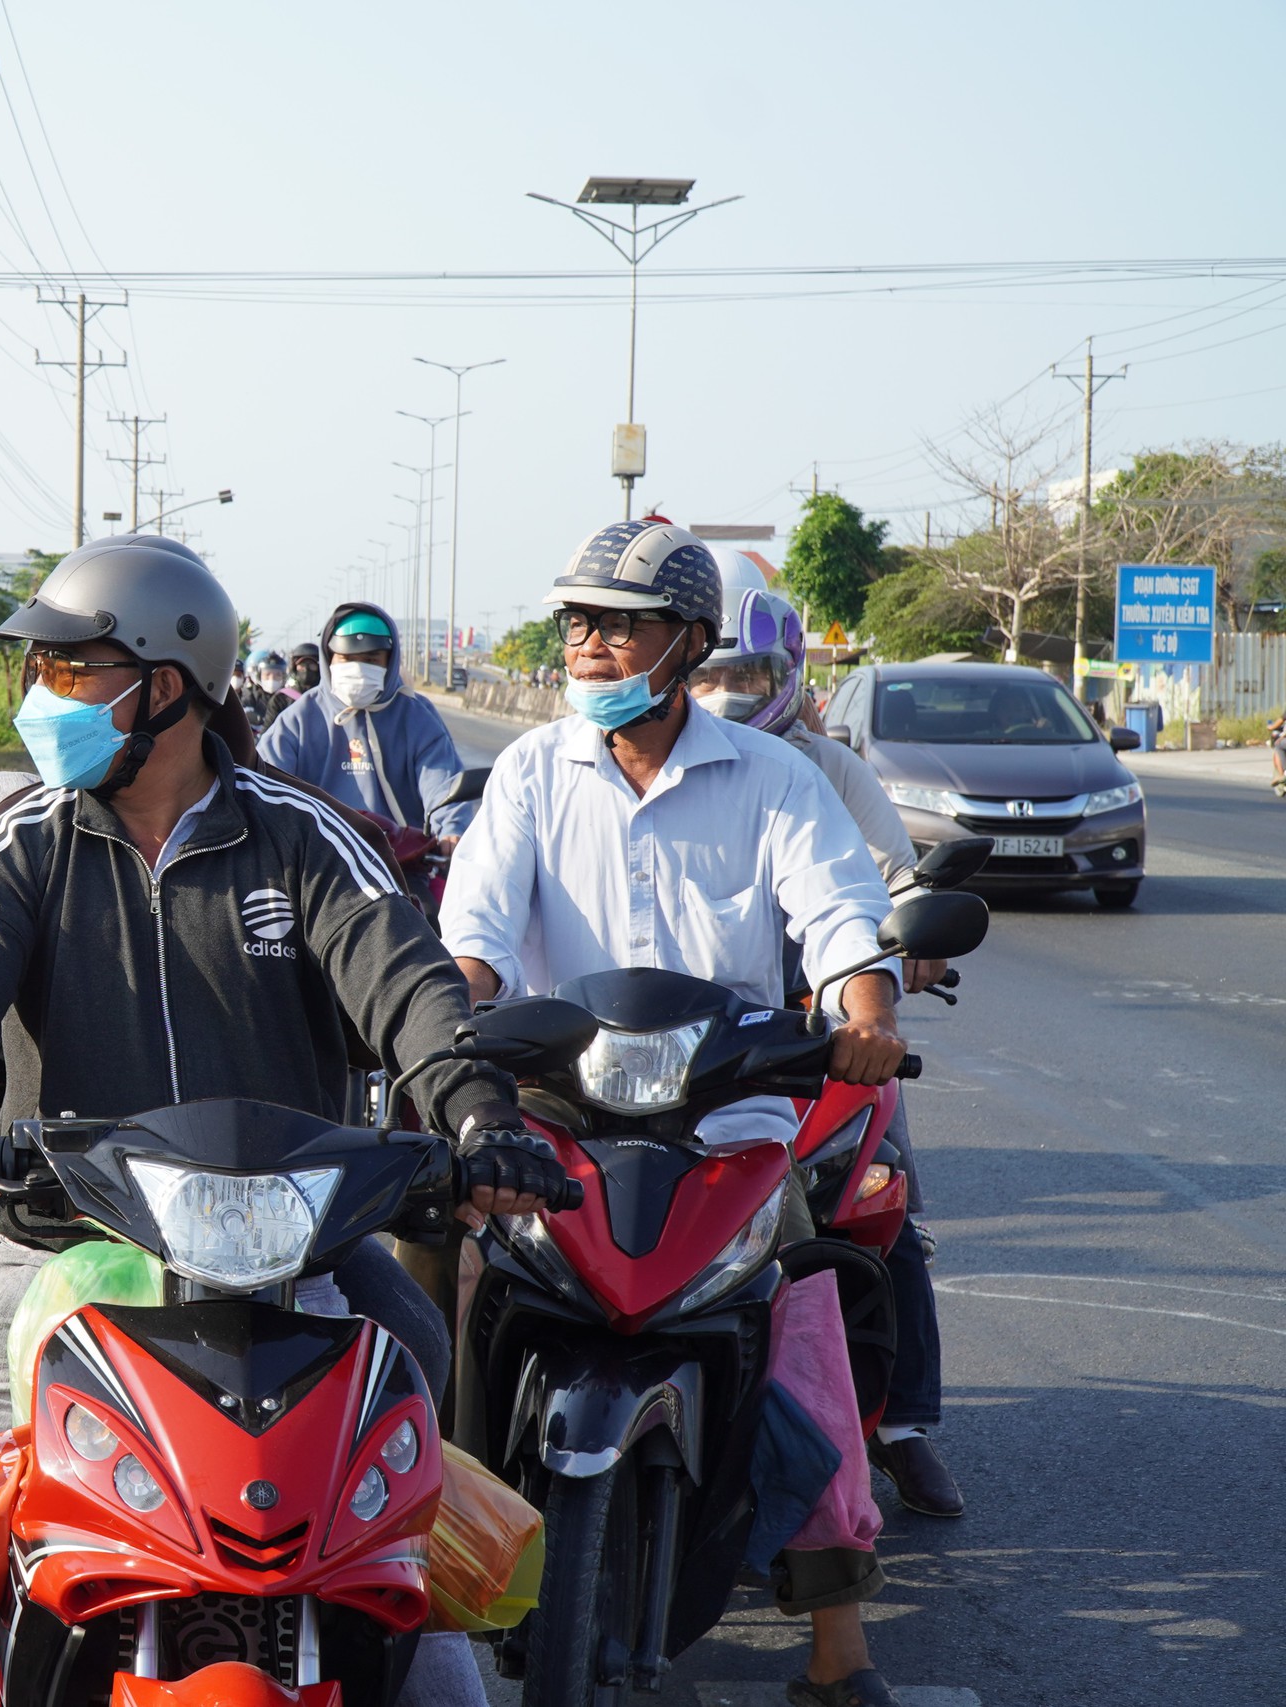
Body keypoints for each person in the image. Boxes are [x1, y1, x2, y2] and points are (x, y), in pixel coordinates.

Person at [0, 535, 569, 1707]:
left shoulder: (301, 834)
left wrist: (477, 1118)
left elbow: (413, 986)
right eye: (44, 672)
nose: (40, 698)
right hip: (60, 1241)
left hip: (289, 1255)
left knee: (409, 1529)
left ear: (165, 687)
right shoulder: (24, 836)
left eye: (70, 670)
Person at [440, 520, 913, 1707]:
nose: (589, 648)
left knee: (808, 1344)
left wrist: (861, 1010)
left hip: (734, 1129)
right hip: (556, 1120)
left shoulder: (777, 781)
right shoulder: (532, 773)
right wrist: (452, 1012)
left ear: (687, 642)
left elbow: (842, 915)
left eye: (618, 625)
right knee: (431, 1285)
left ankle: (836, 1645)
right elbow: (478, 940)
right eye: (576, 625)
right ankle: (408, 1572)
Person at [691, 569, 963, 1520]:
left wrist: (899, 962)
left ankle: (902, 1427)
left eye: (749, 668)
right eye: (713, 669)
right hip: (678, 1056)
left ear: (789, 670)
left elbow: (888, 885)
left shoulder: (824, 769)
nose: (728, 687)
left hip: (821, 1039)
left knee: (884, 1207)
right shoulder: (602, 769)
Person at [259, 602, 472, 844]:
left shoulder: (415, 716)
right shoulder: (300, 717)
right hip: (316, 862)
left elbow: (442, 783)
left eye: (371, 659)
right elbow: (263, 782)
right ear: (329, 659)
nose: (359, 669)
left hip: (401, 863)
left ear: (389, 662)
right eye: (347, 659)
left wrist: (451, 829)